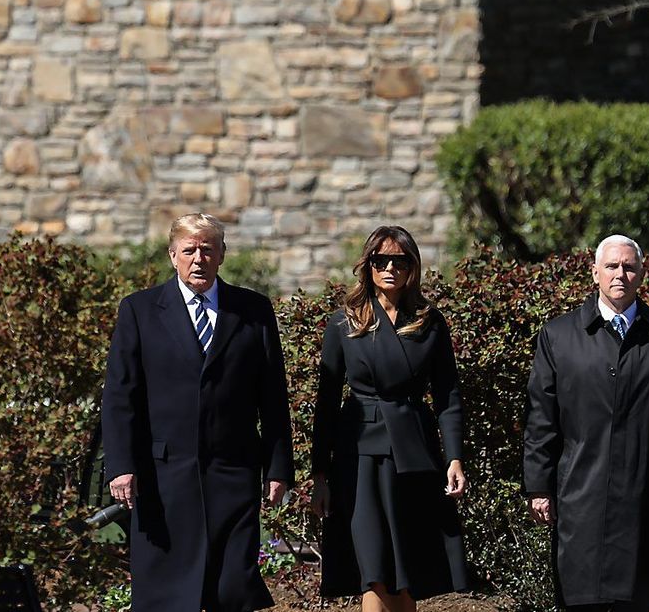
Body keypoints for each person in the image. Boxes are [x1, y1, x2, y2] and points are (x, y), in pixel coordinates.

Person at [101, 213, 294, 612]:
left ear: (222, 255)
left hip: (233, 474)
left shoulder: (253, 310)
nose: (198, 259)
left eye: (208, 249)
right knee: (168, 595)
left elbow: (273, 397)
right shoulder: (139, 311)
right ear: (173, 256)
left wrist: (277, 468)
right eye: (189, 250)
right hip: (163, 479)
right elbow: (121, 396)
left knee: (231, 589)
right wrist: (120, 465)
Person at [524, 234, 649, 612]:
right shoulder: (558, 337)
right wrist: (537, 485)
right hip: (580, 497)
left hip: (646, 499)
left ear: (642, 274)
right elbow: (541, 419)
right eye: (611, 266)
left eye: (629, 266)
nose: (620, 274)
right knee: (582, 599)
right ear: (594, 272)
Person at [310, 225, 469, 612]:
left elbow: (447, 396)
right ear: (368, 265)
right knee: (373, 567)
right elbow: (327, 401)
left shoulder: (430, 322)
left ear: (412, 267)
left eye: (400, 261)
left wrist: (454, 458)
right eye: (381, 260)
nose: (390, 268)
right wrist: (319, 474)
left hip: (414, 453)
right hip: (357, 456)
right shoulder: (343, 322)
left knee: (406, 569)